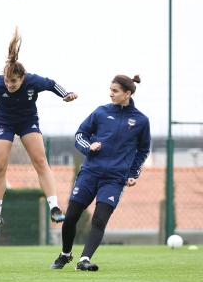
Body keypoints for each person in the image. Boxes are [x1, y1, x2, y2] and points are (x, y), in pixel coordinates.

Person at [51, 74, 151, 271]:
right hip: (90, 173)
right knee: (71, 217)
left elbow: (143, 150)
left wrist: (133, 173)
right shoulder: (100, 112)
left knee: (99, 219)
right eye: (110, 90)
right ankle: (65, 254)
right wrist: (89, 147)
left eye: (115, 91)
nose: (110, 94)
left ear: (127, 93)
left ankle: (84, 260)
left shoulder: (141, 120)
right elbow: (80, 135)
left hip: (115, 179)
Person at [0, 28, 78, 234]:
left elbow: (52, 84)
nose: (9, 85)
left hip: (27, 122)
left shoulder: (33, 81)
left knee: (40, 161)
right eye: (7, 81)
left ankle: (54, 207)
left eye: (14, 82)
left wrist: (66, 95)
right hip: (4, 123)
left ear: (23, 78)